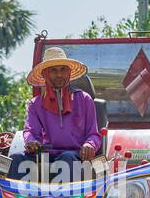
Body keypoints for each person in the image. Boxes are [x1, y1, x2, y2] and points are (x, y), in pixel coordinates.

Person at [11, 46, 102, 181]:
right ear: (45, 74)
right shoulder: (35, 104)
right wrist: (31, 142)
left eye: (63, 70)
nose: (59, 75)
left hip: (74, 156)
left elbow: (93, 134)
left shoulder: (84, 99)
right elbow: (30, 131)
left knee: (67, 158)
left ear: (69, 73)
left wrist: (89, 145)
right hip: (45, 157)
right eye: (54, 70)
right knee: (15, 159)